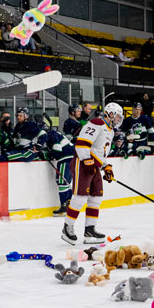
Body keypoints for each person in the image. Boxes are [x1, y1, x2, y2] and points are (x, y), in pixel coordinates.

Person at [61, 102, 120, 245]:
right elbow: (82, 143)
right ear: (110, 113)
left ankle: (90, 230)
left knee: (96, 197)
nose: (119, 119)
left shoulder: (110, 130)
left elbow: (100, 153)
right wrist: (87, 161)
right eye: (117, 116)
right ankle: (67, 227)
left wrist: (106, 167)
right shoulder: (97, 123)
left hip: (93, 166)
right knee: (80, 196)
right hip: (82, 163)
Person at [38, 123, 74, 216]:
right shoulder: (55, 134)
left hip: (65, 159)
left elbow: (57, 152)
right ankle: (69, 205)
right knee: (66, 183)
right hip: (72, 159)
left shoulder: (51, 135)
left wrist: (45, 155)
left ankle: (64, 207)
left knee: (62, 183)